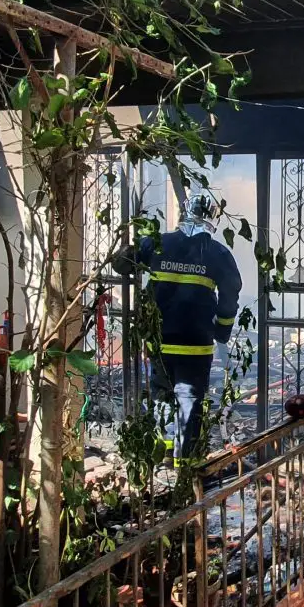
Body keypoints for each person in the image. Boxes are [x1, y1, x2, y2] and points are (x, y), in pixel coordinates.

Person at [115, 188, 242, 460]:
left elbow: (121, 264)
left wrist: (127, 245)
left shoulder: (158, 243)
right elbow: (230, 294)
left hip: (159, 342)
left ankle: (161, 458)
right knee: (190, 404)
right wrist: (222, 329)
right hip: (195, 346)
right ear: (213, 218)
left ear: (185, 211)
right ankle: (185, 468)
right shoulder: (218, 254)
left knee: (161, 399)